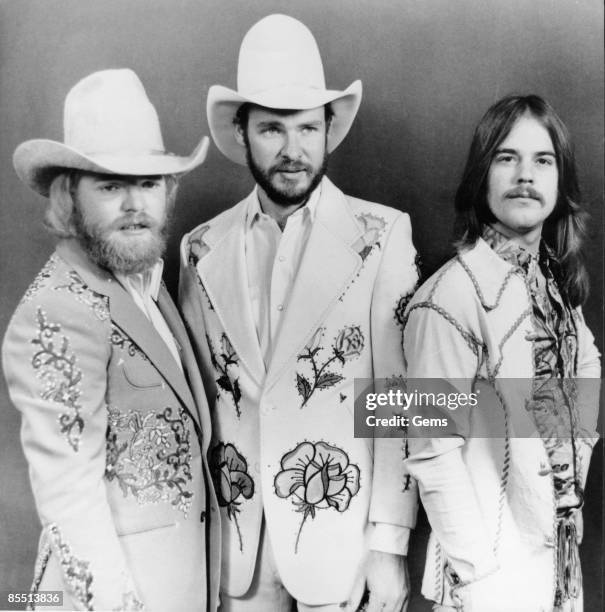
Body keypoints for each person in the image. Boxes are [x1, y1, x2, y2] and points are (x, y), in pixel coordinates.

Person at [179, 13, 419, 612]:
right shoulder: (199, 247)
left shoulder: (381, 235)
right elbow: (201, 402)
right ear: (241, 134)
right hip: (238, 552)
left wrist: (389, 544)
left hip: (343, 546)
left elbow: (403, 394)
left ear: (329, 129)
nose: (293, 150)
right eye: (271, 129)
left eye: (308, 128)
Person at [3, 69, 220, 612]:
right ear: (68, 197)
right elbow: (70, 501)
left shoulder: (146, 280)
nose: (133, 204)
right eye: (110, 185)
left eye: (147, 183)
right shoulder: (56, 310)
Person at [402, 95, 601, 611]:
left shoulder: (553, 287)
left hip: (554, 557)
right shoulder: (446, 296)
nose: (525, 175)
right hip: (489, 577)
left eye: (543, 160)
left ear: (560, 182)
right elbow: (429, 448)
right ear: (481, 175)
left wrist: (569, 485)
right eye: (506, 157)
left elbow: (586, 368)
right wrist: (479, 569)